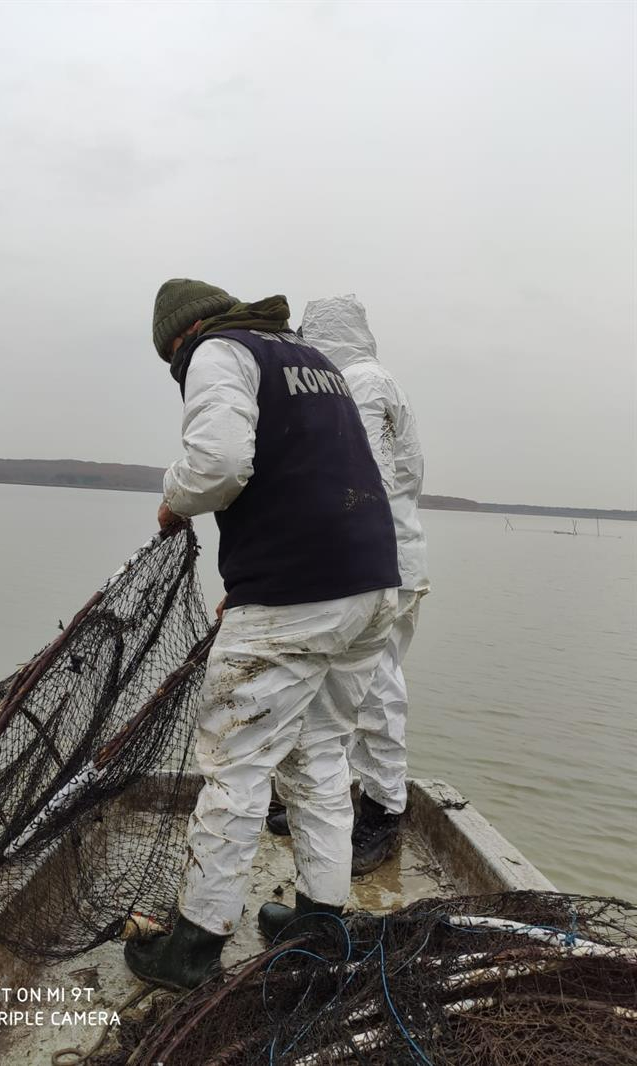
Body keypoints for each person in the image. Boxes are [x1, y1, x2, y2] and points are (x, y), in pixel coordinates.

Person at [123, 278, 401, 991]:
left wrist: (173, 499)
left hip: (299, 593)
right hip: (370, 587)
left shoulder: (218, 350)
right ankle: (319, 922)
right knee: (321, 755)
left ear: (180, 338)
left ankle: (191, 946)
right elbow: (313, 474)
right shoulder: (313, 360)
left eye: (171, 364)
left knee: (235, 763)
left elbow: (218, 465)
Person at [267, 294, 429, 876]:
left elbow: (362, 482)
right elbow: (408, 475)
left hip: (375, 562)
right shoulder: (375, 381)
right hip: (384, 557)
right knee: (343, 689)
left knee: (374, 688)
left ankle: (384, 811)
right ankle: (338, 801)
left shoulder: (357, 383)